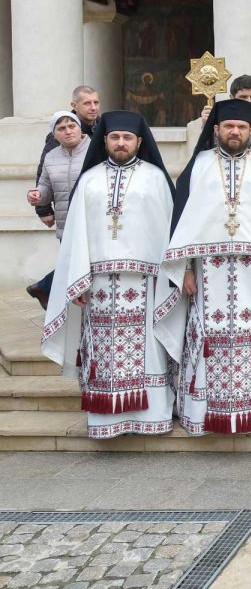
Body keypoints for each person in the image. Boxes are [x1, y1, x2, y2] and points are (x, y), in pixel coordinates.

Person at [40, 111, 182, 439]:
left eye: (127, 138)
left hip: (146, 285)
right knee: (104, 356)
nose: (121, 143)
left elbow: (167, 232)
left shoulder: (156, 178)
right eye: (115, 137)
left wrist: (169, 279)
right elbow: (76, 234)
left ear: (139, 142)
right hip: (99, 286)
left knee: (149, 350)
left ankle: (152, 416)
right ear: (104, 141)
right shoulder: (89, 180)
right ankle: (107, 421)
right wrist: (77, 278)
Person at [163, 100, 251, 435]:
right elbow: (183, 222)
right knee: (207, 338)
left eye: (242, 127)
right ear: (216, 129)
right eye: (229, 126)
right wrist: (186, 268)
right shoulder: (201, 164)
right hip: (207, 273)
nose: (235, 132)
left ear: (250, 131)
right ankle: (204, 413)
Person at [25, 111, 90, 308]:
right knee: (70, 267)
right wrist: (37, 195)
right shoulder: (51, 157)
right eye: (61, 128)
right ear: (54, 134)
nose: (68, 131)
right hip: (66, 224)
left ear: (80, 128)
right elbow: (45, 186)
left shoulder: (96, 150)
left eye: (72, 126)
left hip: (92, 222)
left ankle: (45, 288)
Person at [33, 86, 99, 228]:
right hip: (69, 213)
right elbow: (46, 171)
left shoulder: (103, 128)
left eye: (96, 102)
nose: (93, 107)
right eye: (87, 103)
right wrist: (43, 210)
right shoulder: (61, 134)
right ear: (74, 106)